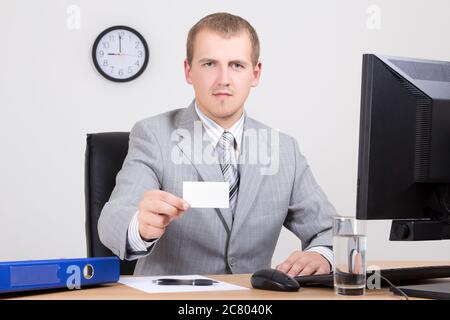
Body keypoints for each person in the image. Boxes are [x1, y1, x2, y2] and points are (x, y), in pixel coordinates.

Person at [98, 12, 338, 276]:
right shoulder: (153, 135)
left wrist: (320, 255)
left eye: (237, 65)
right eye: (210, 64)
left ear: (255, 74)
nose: (223, 79)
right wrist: (139, 227)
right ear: (189, 71)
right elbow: (112, 221)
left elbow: (328, 230)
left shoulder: (283, 149)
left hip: (252, 302)